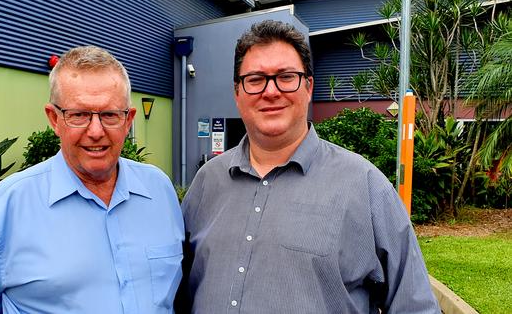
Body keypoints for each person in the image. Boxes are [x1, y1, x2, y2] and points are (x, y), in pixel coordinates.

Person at [178, 20, 440, 313]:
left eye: (286, 77)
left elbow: (414, 305)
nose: (271, 91)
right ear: (237, 93)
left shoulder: (365, 186)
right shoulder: (206, 182)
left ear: (309, 87)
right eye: (255, 79)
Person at [0, 45, 184, 313]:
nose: (96, 131)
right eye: (79, 115)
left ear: (128, 120)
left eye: (109, 115)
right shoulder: (4, 208)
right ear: (54, 119)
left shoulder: (159, 191)